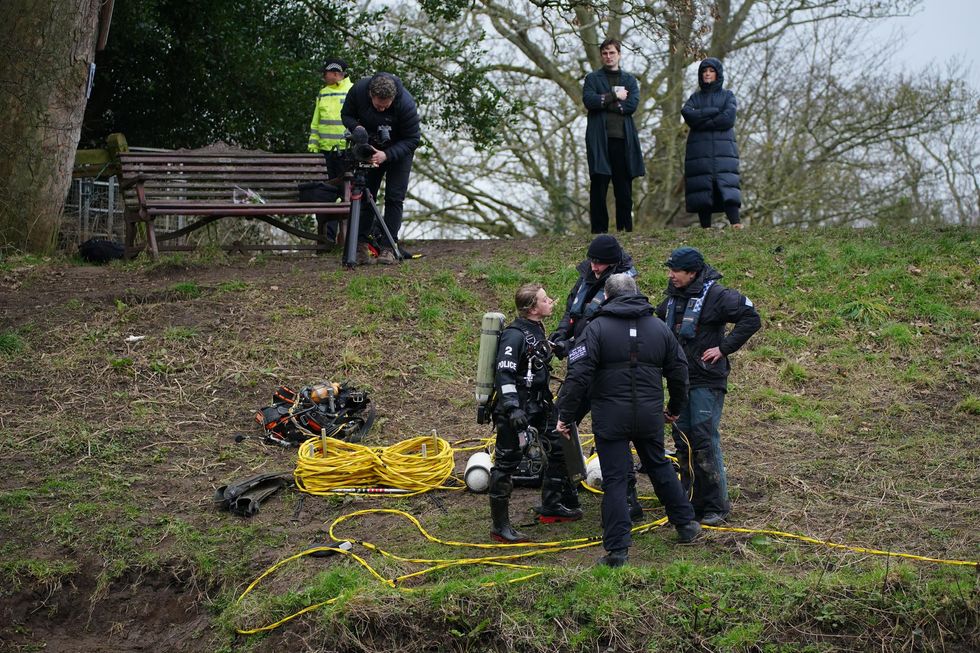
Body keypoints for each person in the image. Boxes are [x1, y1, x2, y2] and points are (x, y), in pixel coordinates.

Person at [556, 273, 702, 567]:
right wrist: (675, 407)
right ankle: (686, 524)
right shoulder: (659, 328)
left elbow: (578, 375)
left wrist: (565, 415)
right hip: (648, 414)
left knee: (615, 479)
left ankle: (618, 550)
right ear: (636, 292)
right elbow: (679, 371)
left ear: (607, 296)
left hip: (611, 418)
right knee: (659, 465)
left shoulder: (596, 328)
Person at [655, 247, 761, 526]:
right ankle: (689, 503)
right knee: (683, 441)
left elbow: (752, 318)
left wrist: (723, 348)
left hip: (707, 380)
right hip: (680, 382)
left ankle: (716, 506)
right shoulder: (669, 302)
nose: (670, 275)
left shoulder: (718, 296)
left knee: (703, 439)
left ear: (692, 272)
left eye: (675, 270)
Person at [548, 234, 644, 521]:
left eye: (600, 263)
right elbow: (572, 311)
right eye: (592, 261)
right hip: (581, 366)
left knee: (615, 437)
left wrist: (572, 345)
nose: (595, 267)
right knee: (560, 424)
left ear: (614, 263)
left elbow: (605, 326)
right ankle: (564, 492)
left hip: (607, 371)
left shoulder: (623, 285)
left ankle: (629, 499)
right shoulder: (587, 276)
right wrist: (561, 335)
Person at [489, 283, 582, 544]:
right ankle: (500, 527)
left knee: (559, 445)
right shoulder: (513, 336)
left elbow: (536, 355)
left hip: (541, 405)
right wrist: (512, 408)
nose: (551, 301)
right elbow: (504, 374)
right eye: (545, 299)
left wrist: (558, 347)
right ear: (532, 308)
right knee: (506, 465)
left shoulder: (535, 330)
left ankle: (551, 505)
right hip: (517, 411)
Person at [341, 72, 421, 265]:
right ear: (370, 95)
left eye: (387, 105)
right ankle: (359, 247)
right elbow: (347, 114)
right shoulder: (358, 90)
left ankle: (388, 248)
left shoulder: (406, 104)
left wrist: (387, 155)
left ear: (394, 98)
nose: (383, 109)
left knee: (394, 197)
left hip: (398, 152)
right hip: (370, 147)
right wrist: (357, 129)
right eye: (379, 105)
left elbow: (413, 139)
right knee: (365, 195)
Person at [582, 38, 645, 234]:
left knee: (623, 187)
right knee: (599, 186)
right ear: (601, 56)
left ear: (619, 54)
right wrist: (615, 96)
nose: (608, 57)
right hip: (599, 140)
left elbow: (631, 105)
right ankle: (599, 231)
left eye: (612, 53)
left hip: (623, 140)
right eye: (605, 53)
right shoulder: (592, 78)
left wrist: (605, 100)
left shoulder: (629, 80)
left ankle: (625, 229)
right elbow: (590, 101)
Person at [682, 58, 743, 229]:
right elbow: (687, 113)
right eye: (704, 71)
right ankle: (705, 228)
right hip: (699, 150)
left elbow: (728, 118)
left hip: (724, 150)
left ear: (718, 73)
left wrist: (702, 120)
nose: (707, 74)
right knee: (702, 186)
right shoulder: (695, 98)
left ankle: (736, 224)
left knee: (727, 184)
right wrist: (714, 112)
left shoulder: (728, 95)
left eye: (711, 71)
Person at [307, 58, 353, 244]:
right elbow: (316, 121)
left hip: (346, 153)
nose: (323, 76)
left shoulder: (351, 91)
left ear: (335, 73)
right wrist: (314, 144)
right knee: (327, 194)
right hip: (326, 153)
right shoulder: (323, 93)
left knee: (346, 193)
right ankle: (328, 239)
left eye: (325, 73)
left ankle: (350, 239)